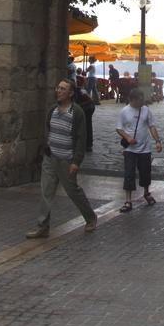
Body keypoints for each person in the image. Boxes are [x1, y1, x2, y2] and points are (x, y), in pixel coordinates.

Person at [25, 78, 97, 238]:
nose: (58, 90)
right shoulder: (52, 110)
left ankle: (90, 217)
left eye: (63, 88)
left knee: (73, 191)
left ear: (71, 93)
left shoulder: (77, 112)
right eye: (58, 87)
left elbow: (81, 138)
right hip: (50, 158)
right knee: (46, 192)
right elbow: (48, 130)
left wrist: (76, 162)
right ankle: (42, 225)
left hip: (66, 160)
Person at [116, 86, 163, 212]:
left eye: (143, 99)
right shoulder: (124, 111)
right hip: (130, 149)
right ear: (133, 100)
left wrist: (158, 141)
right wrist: (128, 137)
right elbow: (119, 128)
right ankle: (128, 200)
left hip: (145, 148)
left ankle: (146, 193)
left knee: (145, 172)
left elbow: (152, 126)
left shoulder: (146, 110)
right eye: (140, 100)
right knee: (129, 174)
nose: (142, 102)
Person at [74, 82, 95, 151]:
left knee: (87, 125)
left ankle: (88, 144)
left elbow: (90, 100)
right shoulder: (77, 91)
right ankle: (87, 144)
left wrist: (79, 106)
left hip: (88, 108)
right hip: (85, 106)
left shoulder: (79, 91)